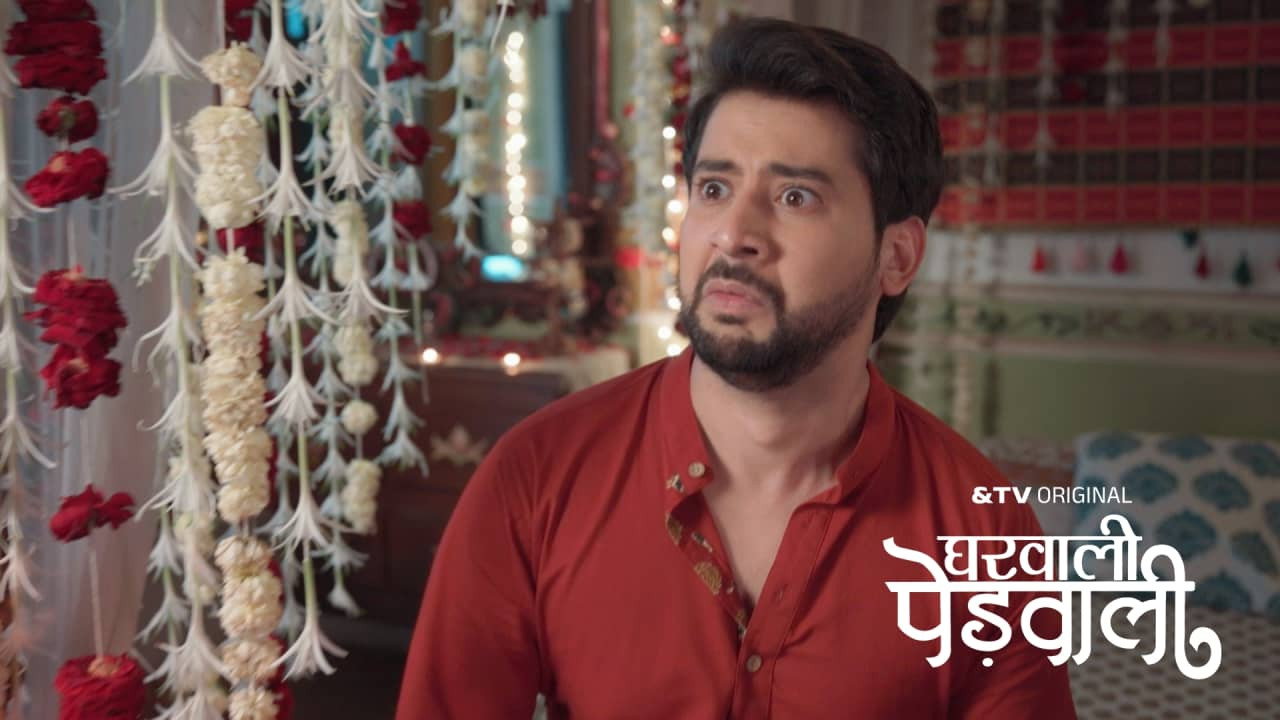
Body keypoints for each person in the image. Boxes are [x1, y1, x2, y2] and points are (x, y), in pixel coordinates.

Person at [396, 16, 1076, 720]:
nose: (733, 233)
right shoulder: (537, 478)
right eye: (714, 189)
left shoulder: (984, 535)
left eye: (794, 197)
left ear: (896, 257)